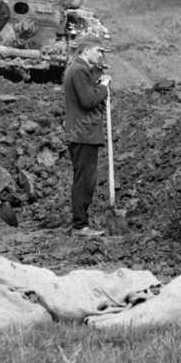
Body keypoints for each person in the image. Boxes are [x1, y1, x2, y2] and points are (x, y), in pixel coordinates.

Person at [62, 37, 109, 237]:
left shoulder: (78, 69)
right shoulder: (79, 70)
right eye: (98, 51)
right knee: (85, 181)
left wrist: (97, 83)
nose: (101, 55)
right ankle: (80, 226)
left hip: (82, 134)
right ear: (86, 50)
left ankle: (80, 223)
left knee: (85, 179)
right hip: (83, 134)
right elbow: (88, 100)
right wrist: (104, 87)